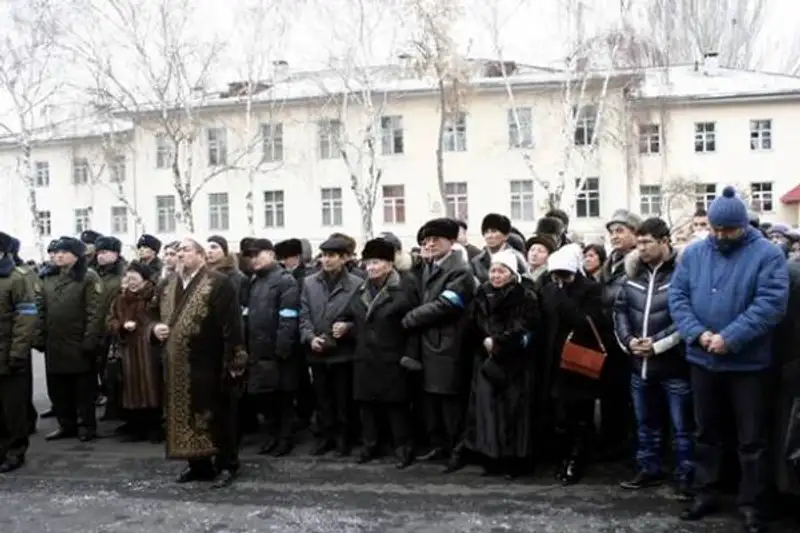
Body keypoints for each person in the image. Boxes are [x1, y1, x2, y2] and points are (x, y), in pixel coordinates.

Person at [669, 186, 789, 533]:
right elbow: (678, 297)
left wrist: (730, 338)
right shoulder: (694, 254)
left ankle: (752, 504)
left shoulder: (768, 255)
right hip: (702, 359)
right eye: (715, 229)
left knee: (751, 439)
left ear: (743, 226)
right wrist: (699, 334)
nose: (721, 236)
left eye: (729, 230)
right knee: (705, 433)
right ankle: (706, 492)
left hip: (748, 365)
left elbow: (770, 305)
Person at [152, 237, 248, 488]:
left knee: (218, 414)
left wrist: (235, 360)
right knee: (184, 416)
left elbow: (232, 324)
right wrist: (155, 328)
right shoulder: (167, 284)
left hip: (210, 360)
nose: (180, 255)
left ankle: (227, 464)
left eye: (185, 250)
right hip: (177, 365)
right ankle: (198, 465)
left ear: (200, 255)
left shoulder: (219, 283)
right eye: (176, 251)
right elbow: (151, 316)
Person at [612, 218, 692, 498]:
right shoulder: (632, 274)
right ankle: (649, 468)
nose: (641, 247)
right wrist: (629, 341)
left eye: (647, 242)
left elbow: (687, 318)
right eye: (640, 242)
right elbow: (620, 310)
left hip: (673, 366)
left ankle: (686, 475)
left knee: (682, 427)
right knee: (645, 424)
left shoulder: (682, 274)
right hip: (639, 365)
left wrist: (657, 344)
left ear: (664, 241)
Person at [334, 238, 420, 468]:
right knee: (367, 406)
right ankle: (369, 446)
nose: (371, 267)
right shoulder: (361, 289)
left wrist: (410, 356)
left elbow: (414, 328)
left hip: (393, 358)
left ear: (390, 264)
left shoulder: (404, 290)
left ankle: (402, 449)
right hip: (365, 358)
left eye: (377, 262)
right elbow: (347, 315)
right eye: (368, 262)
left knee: (397, 407)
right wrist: (344, 325)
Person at [402, 217, 476, 472]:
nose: (430, 244)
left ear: (452, 241)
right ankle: (439, 446)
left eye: (436, 239)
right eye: (427, 240)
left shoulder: (461, 271)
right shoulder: (429, 267)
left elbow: (449, 304)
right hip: (430, 345)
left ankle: (458, 450)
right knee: (433, 402)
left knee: (451, 404)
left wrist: (412, 317)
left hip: (449, 346)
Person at [462, 249, 539, 479]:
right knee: (488, 413)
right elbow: (471, 324)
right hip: (486, 363)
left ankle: (515, 461)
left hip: (515, 364)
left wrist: (498, 342)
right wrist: (483, 341)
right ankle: (491, 458)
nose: (495, 275)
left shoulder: (525, 296)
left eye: (501, 271)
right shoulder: (482, 294)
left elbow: (527, 327)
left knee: (514, 414)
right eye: (493, 270)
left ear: (512, 273)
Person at [539, 243, 604, 484]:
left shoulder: (590, 290)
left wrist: (561, 298)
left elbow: (589, 323)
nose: (560, 279)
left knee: (580, 413)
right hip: (552, 358)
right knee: (560, 413)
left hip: (578, 359)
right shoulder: (547, 289)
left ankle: (577, 458)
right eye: (556, 274)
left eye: (564, 274)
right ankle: (561, 455)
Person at [36, 237, 103, 442]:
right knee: (58, 389)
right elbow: (40, 308)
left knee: (82, 389)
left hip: (78, 341)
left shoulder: (88, 277)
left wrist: (90, 339)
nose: (57, 256)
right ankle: (66, 424)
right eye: (54, 253)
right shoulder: (47, 277)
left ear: (76, 255)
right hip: (55, 342)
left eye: (63, 252)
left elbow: (95, 311)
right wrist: (38, 336)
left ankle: (86, 426)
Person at [299, 236, 362, 457]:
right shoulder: (309, 282)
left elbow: (362, 318)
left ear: (345, 258)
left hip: (343, 353)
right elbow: (304, 315)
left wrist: (348, 327)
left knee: (343, 398)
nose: (327, 260)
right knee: (322, 397)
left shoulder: (356, 283)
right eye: (324, 255)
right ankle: (326, 436)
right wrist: (309, 337)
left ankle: (343, 438)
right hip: (317, 351)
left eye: (332, 255)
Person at [246, 238, 300, 457]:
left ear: (270, 254)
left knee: (283, 398)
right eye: (250, 257)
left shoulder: (285, 281)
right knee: (266, 399)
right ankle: (271, 436)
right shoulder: (255, 281)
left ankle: (285, 439)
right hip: (259, 352)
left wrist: (282, 349)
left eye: (257, 254)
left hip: (278, 353)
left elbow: (289, 317)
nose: (253, 260)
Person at [107, 261, 162, 442]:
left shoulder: (154, 296)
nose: (131, 282)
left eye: (135, 278)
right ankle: (136, 427)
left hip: (149, 349)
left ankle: (154, 427)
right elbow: (110, 320)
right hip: (128, 349)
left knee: (151, 386)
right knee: (131, 387)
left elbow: (161, 319)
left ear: (145, 279)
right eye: (128, 278)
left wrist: (149, 329)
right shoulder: (121, 298)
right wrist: (121, 327)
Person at [0, 232, 37, 473]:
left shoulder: (17, 278)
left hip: (9, 354)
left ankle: (15, 451)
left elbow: (25, 318)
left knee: (12, 408)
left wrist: (17, 353)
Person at [470, 214, 527, 283]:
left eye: (494, 231)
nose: (489, 236)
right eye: (486, 232)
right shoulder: (476, 261)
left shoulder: (517, 258)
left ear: (506, 236)